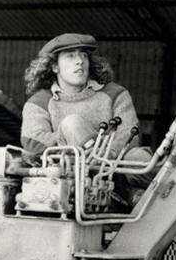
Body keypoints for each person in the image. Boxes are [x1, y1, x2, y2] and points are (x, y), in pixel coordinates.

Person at [21, 33, 153, 201]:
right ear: (55, 67)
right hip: (69, 172)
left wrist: (104, 157)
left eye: (84, 55)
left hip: (114, 170)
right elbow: (32, 142)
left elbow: (129, 135)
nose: (79, 61)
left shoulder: (115, 94)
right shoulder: (39, 101)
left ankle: (129, 196)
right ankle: (124, 197)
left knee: (140, 158)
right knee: (72, 123)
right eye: (70, 56)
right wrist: (70, 146)